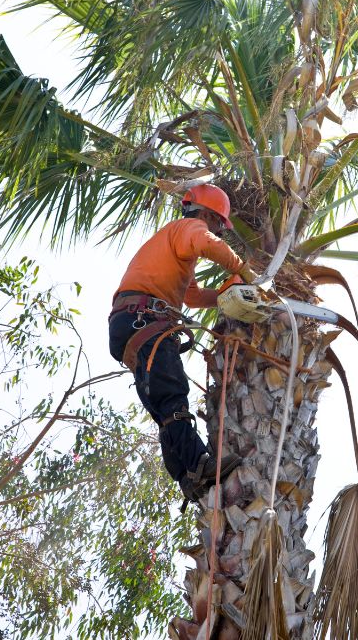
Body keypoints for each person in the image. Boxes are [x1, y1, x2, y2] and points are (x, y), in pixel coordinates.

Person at [108, 183, 257, 502]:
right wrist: (244, 271)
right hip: (145, 319)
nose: (218, 231)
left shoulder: (173, 246)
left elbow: (192, 297)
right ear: (208, 215)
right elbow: (206, 242)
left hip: (129, 325)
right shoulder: (189, 228)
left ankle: (187, 477)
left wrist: (226, 295)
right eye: (219, 224)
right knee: (174, 395)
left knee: (164, 408)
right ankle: (201, 463)